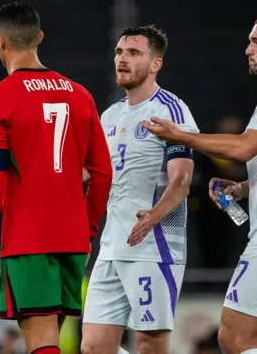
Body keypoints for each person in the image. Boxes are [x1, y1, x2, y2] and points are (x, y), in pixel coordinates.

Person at [143, 12, 257, 354]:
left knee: (233, 334)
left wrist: (182, 136)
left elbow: (244, 146)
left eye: (256, 42)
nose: (247, 49)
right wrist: (243, 188)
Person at [0, 3, 112, 354]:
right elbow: (102, 173)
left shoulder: (0, 97)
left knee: (41, 342)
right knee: (54, 338)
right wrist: (89, 228)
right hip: (73, 237)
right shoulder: (80, 95)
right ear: (40, 38)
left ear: (0, 42)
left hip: (28, 238)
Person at [80, 25, 198, 354]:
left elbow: (181, 181)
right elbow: (88, 172)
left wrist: (153, 217)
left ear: (156, 63)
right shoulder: (110, 116)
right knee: (93, 347)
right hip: (112, 247)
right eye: (120, 52)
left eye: (133, 53)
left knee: (150, 345)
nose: (122, 59)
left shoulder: (171, 111)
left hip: (154, 248)